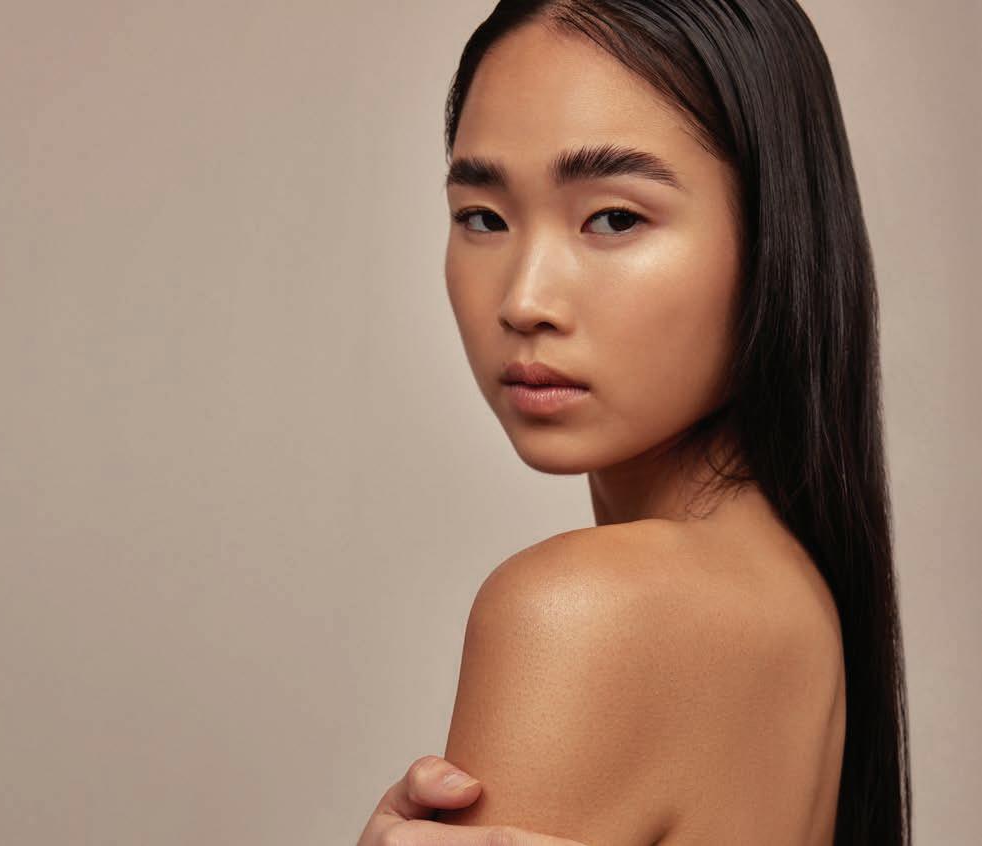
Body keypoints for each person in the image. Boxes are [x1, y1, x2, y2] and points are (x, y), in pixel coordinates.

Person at [356, 1, 911, 844]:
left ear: (773, 238)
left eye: (613, 218)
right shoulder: (796, 603)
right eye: (483, 218)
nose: (524, 300)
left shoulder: (582, 610)